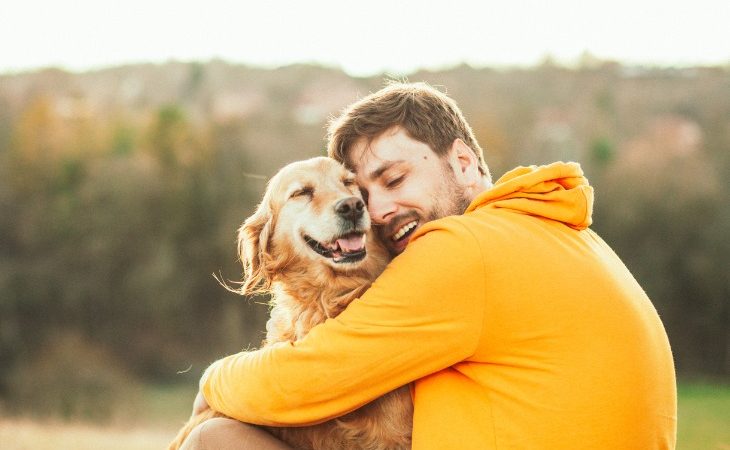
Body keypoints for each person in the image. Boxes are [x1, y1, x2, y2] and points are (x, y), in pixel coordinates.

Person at [184, 82, 677, 449]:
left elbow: (307, 378)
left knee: (215, 439)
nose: (374, 213)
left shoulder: (464, 249)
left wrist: (213, 381)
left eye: (395, 179)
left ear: (464, 163)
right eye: (366, 192)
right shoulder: (558, 233)